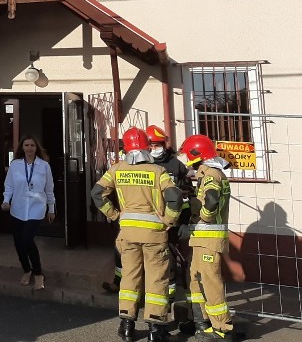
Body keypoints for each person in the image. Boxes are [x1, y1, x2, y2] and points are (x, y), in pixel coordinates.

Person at [92, 127, 183, 342]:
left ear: (126, 148)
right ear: (146, 147)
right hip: (154, 234)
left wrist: (114, 215)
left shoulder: (116, 169)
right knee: (156, 280)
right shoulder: (157, 171)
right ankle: (155, 329)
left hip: (128, 234)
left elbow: (96, 193)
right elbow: (175, 198)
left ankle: (126, 326)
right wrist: (169, 220)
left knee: (129, 278)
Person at [102, 124, 190, 295]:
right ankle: (119, 283)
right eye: (152, 145)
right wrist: (114, 214)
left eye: (159, 144)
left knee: (166, 260)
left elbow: (184, 196)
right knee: (121, 253)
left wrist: (181, 221)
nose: (155, 148)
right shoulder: (134, 165)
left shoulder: (175, 166)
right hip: (135, 220)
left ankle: (168, 294)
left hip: (165, 224)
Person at [177, 134, 235, 340]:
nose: (186, 160)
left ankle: (222, 327)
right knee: (195, 279)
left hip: (209, 240)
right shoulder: (206, 174)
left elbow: (210, 200)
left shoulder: (211, 175)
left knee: (210, 281)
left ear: (197, 155)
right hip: (201, 240)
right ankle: (201, 321)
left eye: (188, 155)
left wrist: (203, 215)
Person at [1, 134, 55, 290]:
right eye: (26, 145)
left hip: (36, 209)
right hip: (17, 209)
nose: (29, 148)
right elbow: (9, 185)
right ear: (22, 148)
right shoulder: (15, 165)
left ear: (36, 147)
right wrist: (6, 201)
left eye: (32, 145)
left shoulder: (44, 166)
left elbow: (49, 189)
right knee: (18, 242)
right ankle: (26, 269)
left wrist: (51, 209)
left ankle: (38, 273)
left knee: (27, 238)